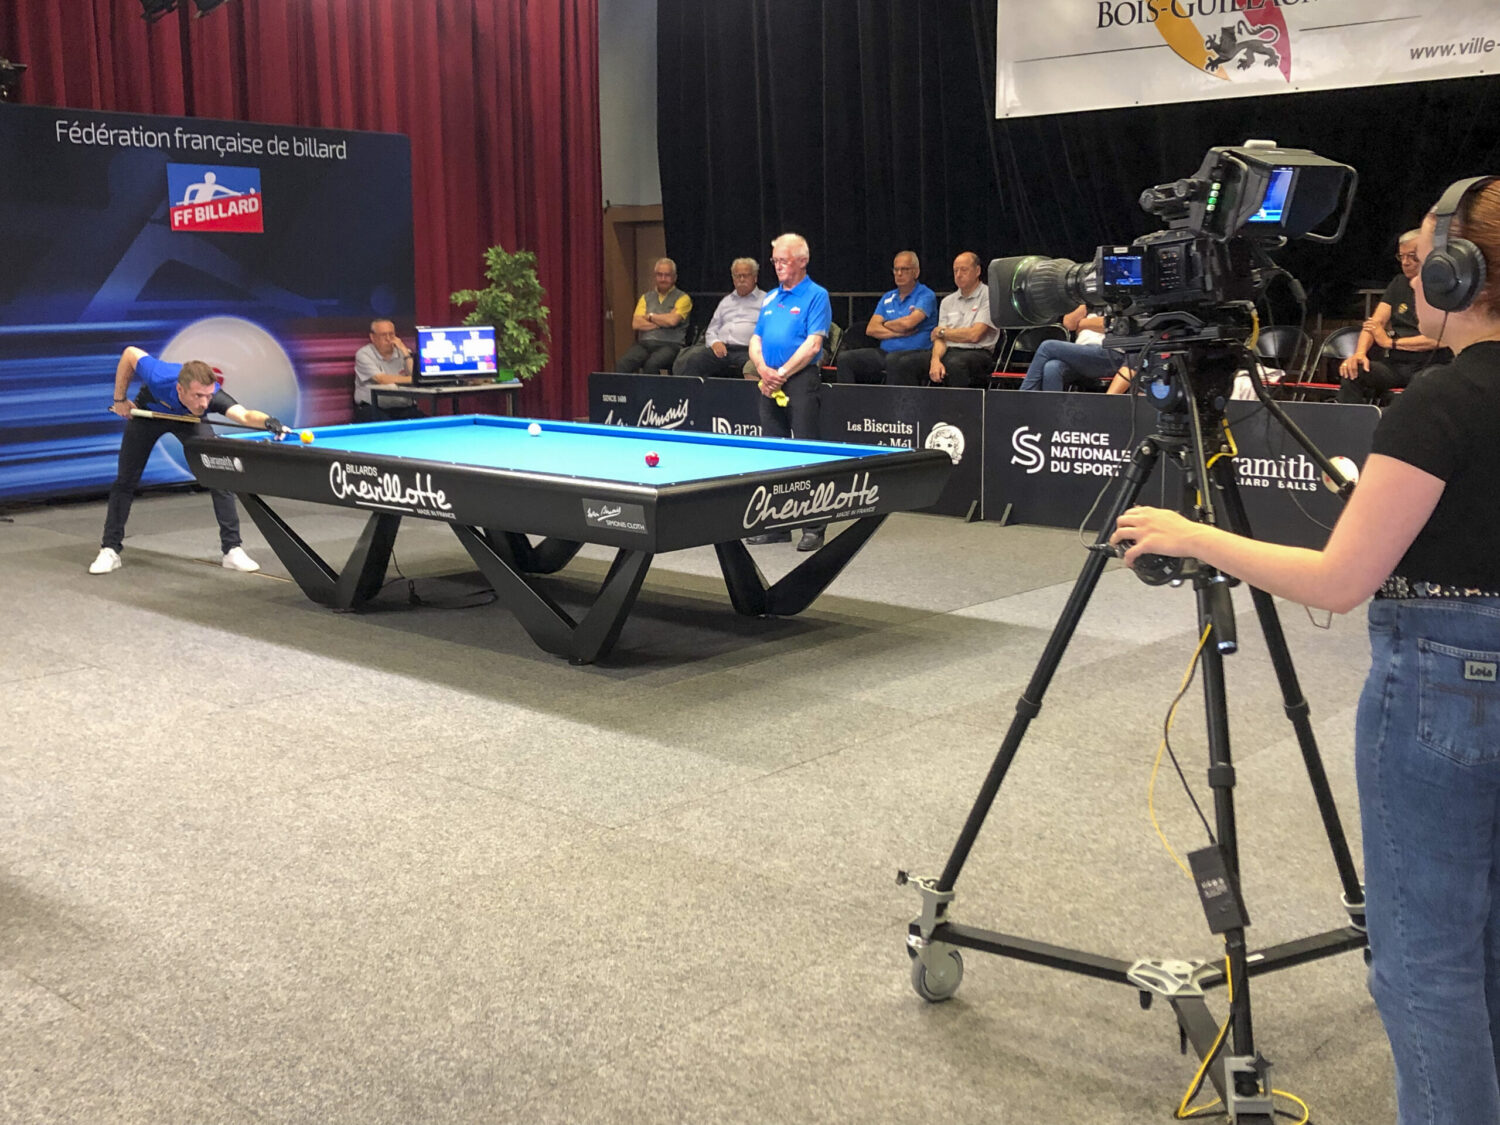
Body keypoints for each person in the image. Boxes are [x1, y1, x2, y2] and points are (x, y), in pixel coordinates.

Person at [1109, 177, 1500, 1124]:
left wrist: (1193, 535)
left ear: (1458, 272)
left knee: (1423, 964)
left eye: (1421, 260)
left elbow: (1337, 580)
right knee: (1483, 943)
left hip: (1443, 688)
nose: (1413, 278)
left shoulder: (1440, 404)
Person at [90, 346, 289, 575]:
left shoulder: (210, 398)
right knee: (125, 480)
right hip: (149, 415)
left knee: (219, 476)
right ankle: (109, 549)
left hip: (189, 420)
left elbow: (243, 415)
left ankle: (232, 549)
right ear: (180, 389)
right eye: (198, 396)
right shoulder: (159, 376)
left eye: (208, 396)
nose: (205, 403)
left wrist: (269, 421)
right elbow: (130, 353)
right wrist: (120, 399)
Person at [747, 232, 833, 551]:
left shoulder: (816, 295)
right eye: (775, 261)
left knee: (808, 453)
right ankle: (777, 526)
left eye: (783, 260)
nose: (778, 266)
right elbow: (756, 339)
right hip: (769, 381)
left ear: (802, 261)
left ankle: (814, 527)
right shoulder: (771, 297)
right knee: (774, 453)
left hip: (800, 380)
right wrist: (763, 369)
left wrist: (781, 374)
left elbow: (813, 344)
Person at [1338, 229, 1453, 406]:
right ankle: (1349, 422)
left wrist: (1390, 343)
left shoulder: (1443, 287)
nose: (1405, 262)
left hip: (1431, 364)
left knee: (1423, 383)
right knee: (1353, 371)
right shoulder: (1399, 283)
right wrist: (1360, 354)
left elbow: (1440, 339)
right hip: (1396, 364)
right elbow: (1374, 324)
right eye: (1402, 257)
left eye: (1412, 257)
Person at [835, 251, 937, 385]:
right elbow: (871, 329)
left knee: (894, 361)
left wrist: (885, 323)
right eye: (896, 269)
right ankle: (847, 398)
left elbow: (908, 324)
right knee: (845, 358)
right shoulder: (888, 297)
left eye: (904, 269)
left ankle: (894, 400)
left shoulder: (926, 295)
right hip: (885, 352)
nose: (899, 273)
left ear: (916, 272)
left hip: (917, 352)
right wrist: (897, 332)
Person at [908, 251, 1002, 388]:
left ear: (977, 271)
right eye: (955, 270)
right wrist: (935, 360)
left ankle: (960, 403)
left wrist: (943, 332)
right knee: (906, 363)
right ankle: (909, 402)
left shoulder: (988, 296)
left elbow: (974, 335)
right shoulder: (947, 301)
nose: (958, 275)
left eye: (963, 270)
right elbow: (939, 340)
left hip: (977, 352)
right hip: (948, 351)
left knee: (954, 364)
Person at [672, 258, 764, 378]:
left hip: (748, 351)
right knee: (692, 359)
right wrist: (715, 342)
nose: (741, 279)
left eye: (745, 275)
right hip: (722, 349)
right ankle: (690, 391)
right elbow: (711, 330)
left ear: (755, 278)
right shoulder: (726, 301)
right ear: (733, 279)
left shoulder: (766, 300)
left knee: (752, 368)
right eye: (737, 276)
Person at [1018, 304, 1132, 391]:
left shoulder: (1118, 302)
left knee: (1048, 347)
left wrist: (1082, 323)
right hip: (1082, 354)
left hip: (1111, 354)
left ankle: (1024, 396)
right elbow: (1069, 323)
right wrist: (1087, 300)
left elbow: (1112, 325)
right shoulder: (1090, 302)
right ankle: (1051, 412)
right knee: (1052, 367)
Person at [618, 258, 693, 373]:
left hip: (671, 345)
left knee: (651, 365)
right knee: (623, 363)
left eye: (667, 275)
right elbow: (636, 324)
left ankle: (654, 386)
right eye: (659, 275)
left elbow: (672, 321)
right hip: (645, 343)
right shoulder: (645, 298)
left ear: (674, 277)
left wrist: (650, 317)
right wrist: (664, 321)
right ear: (655, 277)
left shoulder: (683, 298)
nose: (663, 279)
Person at [354, 319, 422, 422]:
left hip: (404, 408)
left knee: (426, 423)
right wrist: (413, 380)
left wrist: (405, 352)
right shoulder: (364, 354)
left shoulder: (403, 352)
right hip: (373, 408)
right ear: (372, 337)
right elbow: (382, 379)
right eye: (383, 335)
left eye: (391, 334)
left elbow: (414, 374)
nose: (388, 339)